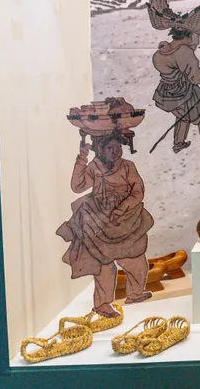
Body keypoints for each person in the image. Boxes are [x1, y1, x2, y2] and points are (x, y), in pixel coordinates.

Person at [56, 131, 155, 317]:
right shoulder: (94, 167)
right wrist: (82, 159)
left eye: (118, 147)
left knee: (135, 259)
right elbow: (77, 186)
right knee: (104, 266)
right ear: (100, 149)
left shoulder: (128, 166)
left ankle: (135, 293)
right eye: (110, 148)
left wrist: (121, 209)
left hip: (126, 220)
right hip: (99, 223)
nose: (116, 151)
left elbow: (138, 192)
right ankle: (102, 304)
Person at [152, 26, 200, 154]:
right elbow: (194, 74)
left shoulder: (158, 54)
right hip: (185, 90)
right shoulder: (183, 52)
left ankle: (178, 144)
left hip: (167, 91)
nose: (193, 39)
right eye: (191, 36)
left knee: (183, 116)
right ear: (186, 36)